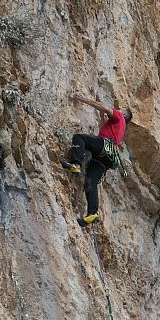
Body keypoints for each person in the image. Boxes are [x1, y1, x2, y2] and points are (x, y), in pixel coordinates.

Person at [61, 90, 132, 226]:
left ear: (123, 114)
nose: (116, 110)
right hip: (108, 157)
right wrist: (101, 117)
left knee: (79, 138)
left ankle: (75, 164)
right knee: (90, 182)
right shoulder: (119, 127)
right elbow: (102, 133)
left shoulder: (119, 116)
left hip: (104, 147)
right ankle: (92, 213)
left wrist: (84, 99)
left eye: (119, 109)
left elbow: (105, 108)